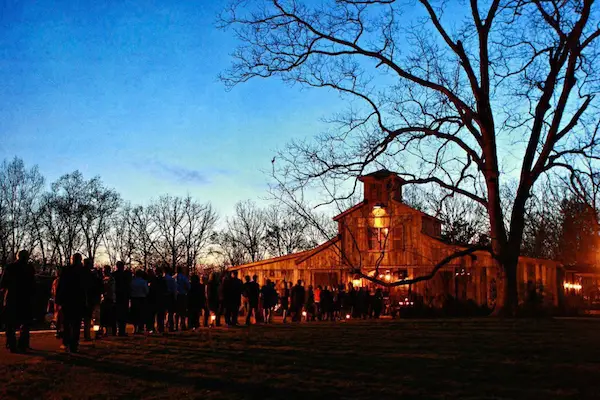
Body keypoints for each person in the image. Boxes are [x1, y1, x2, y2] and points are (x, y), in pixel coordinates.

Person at [0, 250, 35, 353]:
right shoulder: (29, 268)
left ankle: (11, 344)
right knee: (25, 323)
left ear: (17, 256)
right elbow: (33, 285)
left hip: (12, 298)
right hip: (26, 299)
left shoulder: (10, 267)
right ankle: (23, 344)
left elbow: (3, 284)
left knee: (10, 323)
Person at [56, 253, 88, 353]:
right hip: (78, 300)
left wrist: (59, 299)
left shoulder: (66, 270)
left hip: (67, 300)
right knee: (76, 324)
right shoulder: (83, 271)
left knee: (67, 322)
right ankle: (74, 344)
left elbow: (61, 285)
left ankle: (66, 342)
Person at [83, 258, 102, 341]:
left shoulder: (82, 274)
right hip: (93, 299)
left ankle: (87, 334)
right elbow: (100, 287)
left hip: (86, 299)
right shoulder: (93, 275)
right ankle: (94, 333)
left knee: (88, 318)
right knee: (94, 317)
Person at [113, 261, 131, 337]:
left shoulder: (114, 275)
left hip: (117, 296)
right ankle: (121, 331)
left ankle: (115, 331)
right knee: (123, 315)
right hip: (124, 296)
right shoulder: (126, 275)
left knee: (116, 314)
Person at [130, 269, 149, 334]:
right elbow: (146, 291)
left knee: (135, 314)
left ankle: (135, 328)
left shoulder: (132, 281)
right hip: (142, 299)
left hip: (134, 298)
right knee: (141, 314)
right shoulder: (143, 282)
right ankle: (140, 328)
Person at [100, 265, 117, 336]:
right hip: (106, 299)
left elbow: (111, 289)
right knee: (106, 315)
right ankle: (107, 330)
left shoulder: (110, 279)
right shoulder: (105, 278)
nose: (103, 272)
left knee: (109, 315)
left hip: (109, 299)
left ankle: (110, 331)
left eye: (104, 270)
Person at [164, 267, 177, 332]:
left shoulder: (163, 279)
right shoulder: (171, 279)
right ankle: (170, 326)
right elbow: (174, 289)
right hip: (170, 296)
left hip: (163, 296)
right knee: (170, 312)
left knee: (163, 312)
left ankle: (163, 325)